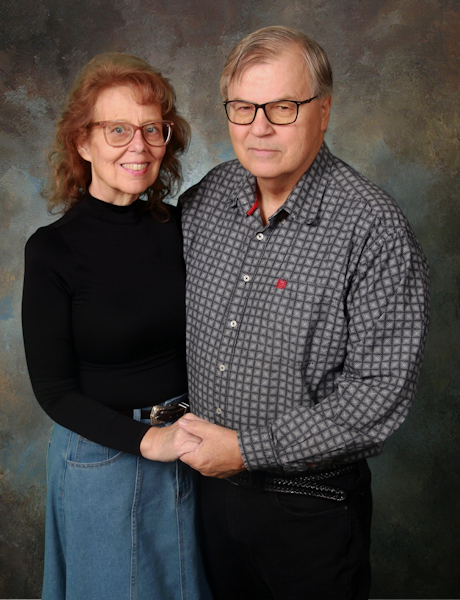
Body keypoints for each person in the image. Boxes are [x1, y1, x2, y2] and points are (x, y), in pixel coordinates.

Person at [178, 26, 430, 600]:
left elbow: (378, 394)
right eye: (244, 107)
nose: (259, 127)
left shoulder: (372, 228)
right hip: (204, 498)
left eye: (283, 107)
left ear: (324, 111)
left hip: (310, 510)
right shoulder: (206, 200)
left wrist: (246, 451)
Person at [22, 52, 211, 600]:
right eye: (118, 130)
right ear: (82, 143)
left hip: (193, 449)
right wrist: (149, 441)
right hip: (104, 458)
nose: (139, 145)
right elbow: (54, 391)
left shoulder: (183, 228)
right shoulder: (52, 250)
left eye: (152, 129)